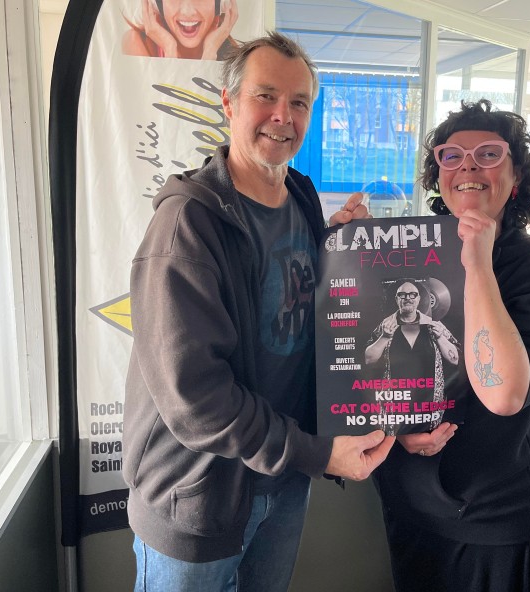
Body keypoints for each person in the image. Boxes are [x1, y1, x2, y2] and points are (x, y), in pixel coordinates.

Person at [122, 32, 393, 592]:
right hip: (199, 501)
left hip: (282, 485)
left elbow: (293, 307)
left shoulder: (301, 196)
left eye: (299, 102)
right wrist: (318, 452)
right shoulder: (187, 225)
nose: (282, 116)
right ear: (229, 103)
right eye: (265, 96)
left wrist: (342, 248)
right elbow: (197, 400)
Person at [372, 99, 530, 592]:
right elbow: (376, 371)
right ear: (439, 177)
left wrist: (479, 263)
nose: (468, 166)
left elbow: (504, 393)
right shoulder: (413, 256)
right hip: (408, 494)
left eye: (489, 154)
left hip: (492, 512)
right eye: (452, 156)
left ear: (516, 178)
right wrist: (396, 432)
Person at [364, 279, 460, 435]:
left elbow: (455, 360)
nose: (407, 298)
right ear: (396, 299)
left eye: (412, 294)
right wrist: (385, 337)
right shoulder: (385, 326)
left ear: (419, 298)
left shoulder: (434, 325)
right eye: (402, 295)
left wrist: (440, 337)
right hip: (394, 410)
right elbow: (369, 359)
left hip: (430, 410)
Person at [122, 0, 239, 60]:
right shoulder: (137, 42)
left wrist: (209, 54)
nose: (187, 12)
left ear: (220, 4)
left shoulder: (234, 57)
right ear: (156, 4)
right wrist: (170, 49)